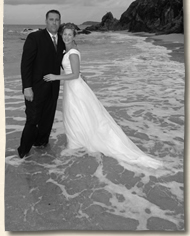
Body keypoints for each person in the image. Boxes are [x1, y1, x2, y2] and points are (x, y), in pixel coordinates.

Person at [43, 23, 163, 169]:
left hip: (75, 88)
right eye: (65, 34)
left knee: (76, 114)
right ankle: (76, 142)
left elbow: (73, 74)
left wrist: (55, 77)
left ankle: (77, 144)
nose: (67, 36)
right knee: (76, 115)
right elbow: (76, 71)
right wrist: (80, 74)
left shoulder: (73, 52)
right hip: (72, 87)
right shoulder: (68, 50)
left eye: (70, 34)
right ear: (62, 35)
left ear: (74, 36)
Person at [17, 10, 66, 158]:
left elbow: (64, 61)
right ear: (46, 21)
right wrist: (27, 87)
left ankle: (41, 148)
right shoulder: (34, 37)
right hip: (35, 89)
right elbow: (26, 64)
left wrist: (77, 73)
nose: (54, 22)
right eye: (51, 19)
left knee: (47, 120)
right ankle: (23, 153)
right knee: (32, 120)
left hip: (53, 89)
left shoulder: (62, 39)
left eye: (57, 20)